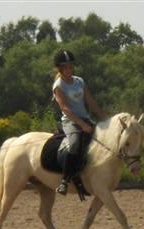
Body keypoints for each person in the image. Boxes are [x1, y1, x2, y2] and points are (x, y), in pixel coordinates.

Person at [52, 50, 107, 196]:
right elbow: (65, 108)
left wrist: (105, 118)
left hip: (85, 118)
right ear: (60, 69)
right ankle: (65, 180)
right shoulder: (59, 85)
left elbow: (90, 102)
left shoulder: (79, 81)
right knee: (75, 143)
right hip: (70, 121)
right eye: (66, 67)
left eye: (71, 66)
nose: (69, 69)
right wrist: (82, 125)